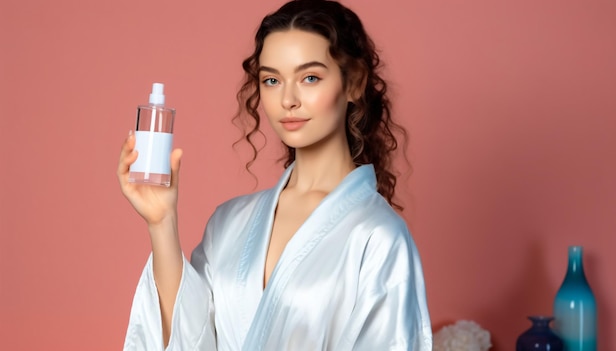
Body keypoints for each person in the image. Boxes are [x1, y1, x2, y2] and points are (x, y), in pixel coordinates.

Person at [117, 0, 432, 350]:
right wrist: (162, 223)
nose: (288, 99)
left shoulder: (378, 236)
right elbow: (188, 339)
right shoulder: (229, 221)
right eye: (271, 80)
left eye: (310, 77)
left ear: (354, 82)